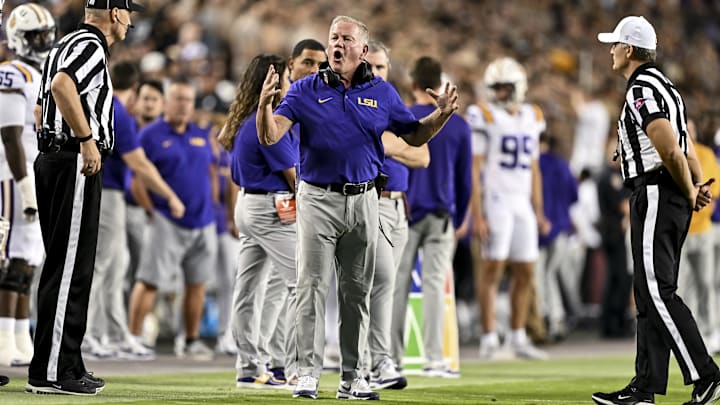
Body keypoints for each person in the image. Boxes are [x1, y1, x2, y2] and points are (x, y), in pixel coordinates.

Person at [256, 15, 458, 400]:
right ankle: (307, 374)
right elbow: (271, 135)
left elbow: (414, 136)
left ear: (362, 50)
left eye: (346, 39)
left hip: (365, 198)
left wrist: (441, 115)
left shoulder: (382, 92)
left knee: (357, 293)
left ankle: (354, 377)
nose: (336, 44)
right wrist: (265, 106)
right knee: (310, 287)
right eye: (333, 37)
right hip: (316, 197)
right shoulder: (304, 89)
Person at [593, 16, 720, 405]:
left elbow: (667, 147)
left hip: (658, 192)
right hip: (667, 190)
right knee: (648, 294)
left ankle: (705, 374)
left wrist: (686, 186)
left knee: (656, 290)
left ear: (629, 50)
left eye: (615, 44)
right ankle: (646, 386)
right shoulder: (666, 86)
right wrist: (694, 183)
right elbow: (683, 145)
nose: (611, 50)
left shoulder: (642, 88)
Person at [28, 0, 145, 396]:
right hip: (72, 160)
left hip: (56, 156)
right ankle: (54, 371)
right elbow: (61, 86)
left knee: (67, 266)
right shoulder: (90, 44)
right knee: (69, 269)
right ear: (115, 13)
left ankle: (65, 361)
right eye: (129, 12)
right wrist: (84, 140)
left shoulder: (65, 43)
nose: (130, 21)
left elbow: (42, 105)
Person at [83, 62, 184, 361]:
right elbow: (140, 164)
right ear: (136, 89)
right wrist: (170, 196)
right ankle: (87, 336)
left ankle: (113, 334)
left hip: (105, 193)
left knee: (116, 268)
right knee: (101, 267)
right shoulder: (119, 113)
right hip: (107, 193)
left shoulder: (104, 105)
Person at [218, 53, 296, 388]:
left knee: (248, 289)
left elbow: (222, 138)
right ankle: (295, 365)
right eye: (287, 77)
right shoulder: (267, 123)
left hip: (248, 202)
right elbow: (294, 177)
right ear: (274, 83)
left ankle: (249, 367)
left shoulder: (242, 118)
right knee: (302, 284)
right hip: (271, 207)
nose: (291, 83)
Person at [391, 56, 471, 377]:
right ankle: (434, 358)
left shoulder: (402, 118)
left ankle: (392, 359)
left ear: (413, 84)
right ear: (439, 84)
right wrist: (459, 216)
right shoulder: (459, 124)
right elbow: (465, 179)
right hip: (441, 214)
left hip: (405, 211)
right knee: (435, 286)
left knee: (397, 285)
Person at [127, 78, 217, 361]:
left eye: (188, 100)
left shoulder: (201, 134)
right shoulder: (150, 135)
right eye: (178, 99)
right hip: (167, 219)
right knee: (149, 280)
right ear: (166, 102)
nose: (183, 105)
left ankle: (189, 340)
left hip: (203, 221)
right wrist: (152, 211)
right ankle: (133, 338)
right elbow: (137, 179)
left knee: (197, 283)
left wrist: (211, 203)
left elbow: (211, 171)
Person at [467, 57, 550, 361]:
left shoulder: (533, 115)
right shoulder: (483, 115)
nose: (499, 93)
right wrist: (478, 214)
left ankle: (517, 336)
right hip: (497, 200)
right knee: (492, 270)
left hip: (521, 202)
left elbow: (535, 169)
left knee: (526, 270)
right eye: (496, 88)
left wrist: (538, 210)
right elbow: (475, 170)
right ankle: (489, 338)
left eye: (505, 87)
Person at [256, 39, 326, 384]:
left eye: (318, 65)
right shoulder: (287, 105)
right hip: (280, 202)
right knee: (297, 284)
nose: (313, 71)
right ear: (291, 64)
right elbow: (269, 143)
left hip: (288, 202)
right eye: (308, 63)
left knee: (273, 286)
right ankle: (283, 363)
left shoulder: (316, 103)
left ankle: (264, 360)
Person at [365, 41, 428, 389]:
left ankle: (372, 361)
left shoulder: (392, 106)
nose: (375, 74)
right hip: (368, 201)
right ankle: (377, 362)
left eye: (381, 68)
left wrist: (391, 144)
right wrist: (394, 145)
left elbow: (423, 156)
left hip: (397, 205)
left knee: (383, 286)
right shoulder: (357, 105)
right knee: (381, 282)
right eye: (370, 66)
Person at [0, 2, 54, 369]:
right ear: (20, 37)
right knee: (9, 261)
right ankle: (4, 337)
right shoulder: (11, 73)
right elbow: (10, 135)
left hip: (34, 173)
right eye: (38, 35)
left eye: (47, 34)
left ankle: (20, 336)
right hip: (11, 175)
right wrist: (24, 186)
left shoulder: (40, 74)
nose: (45, 41)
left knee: (28, 261)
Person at [678, 119, 720, 350]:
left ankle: (710, 331)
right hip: (681, 231)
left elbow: (713, 188)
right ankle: (685, 335)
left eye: (691, 128)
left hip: (702, 229)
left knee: (706, 283)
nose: (689, 132)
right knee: (680, 285)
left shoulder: (704, 153)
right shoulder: (674, 152)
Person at [534, 134, 578, 341]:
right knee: (550, 275)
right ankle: (557, 318)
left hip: (537, 228)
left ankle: (543, 317)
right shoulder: (561, 165)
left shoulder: (532, 163)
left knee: (539, 276)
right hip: (560, 227)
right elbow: (573, 195)